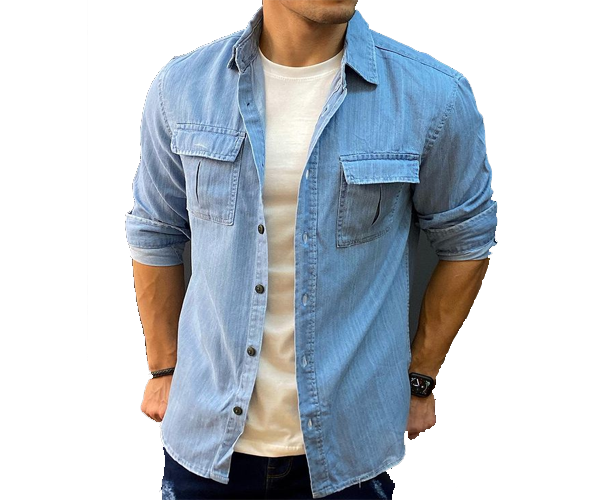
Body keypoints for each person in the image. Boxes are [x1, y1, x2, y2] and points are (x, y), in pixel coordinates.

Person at [125, 1, 499, 498]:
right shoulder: (183, 88)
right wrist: (163, 367)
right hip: (204, 443)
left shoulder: (432, 96)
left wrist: (420, 378)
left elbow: (467, 240)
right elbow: (155, 231)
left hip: (348, 453)